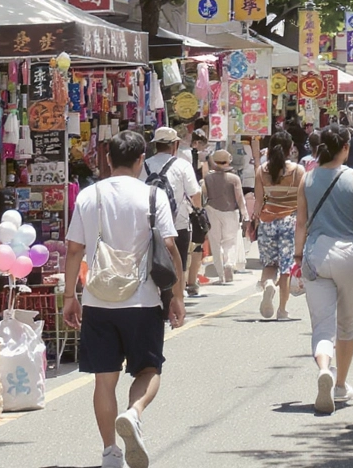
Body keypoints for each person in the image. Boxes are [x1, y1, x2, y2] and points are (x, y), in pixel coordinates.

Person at [63, 130, 186, 468]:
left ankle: (110, 453)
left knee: (104, 380)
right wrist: (176, 295)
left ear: (107, 159)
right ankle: (134, 412)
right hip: (143, 300)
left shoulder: (88, 195)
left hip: (98, 300)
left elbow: (74, 249)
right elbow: (170, 247)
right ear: (141, 160)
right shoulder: (153, 195)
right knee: (148, 369)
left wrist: (70, 296)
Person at [294, 124, 353, 413]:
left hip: (315, 254)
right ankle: (340, 385)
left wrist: (298, 255)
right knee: (346, 325)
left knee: (322, 326)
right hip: (349, 254)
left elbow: (300, 222)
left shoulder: (308, 178)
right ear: (345, 147)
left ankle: (324, 368)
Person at [144, 127, 203, 298]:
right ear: (175, 145)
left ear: (156, 145)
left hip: (148, 224)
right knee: (179, 263)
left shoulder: (144, 165)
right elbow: (195, 194)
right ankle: (177, 297)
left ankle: (155, 296)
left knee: (149, 263)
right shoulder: (182, 165)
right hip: (178, 223)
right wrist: (198, 212)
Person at [254, 131, 304, 320]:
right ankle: (282, 310)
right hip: (290, 222)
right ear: (290, 148)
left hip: (267, 222)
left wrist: (255, 220)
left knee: (269, 264)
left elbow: (259, 201)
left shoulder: (262, 171)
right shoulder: (298, 171)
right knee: (286, 267)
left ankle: (268, 284)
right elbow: (303, 201)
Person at [203, 149, 247, 284]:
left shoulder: (207, 178)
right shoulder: (234, 178)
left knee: (215, 243)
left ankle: (221, 276)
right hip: (231, 211)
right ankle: (229, 263)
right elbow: (239, 198)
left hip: (212, 210)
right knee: (230, 241)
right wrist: (245, 214)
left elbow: (204, 195)